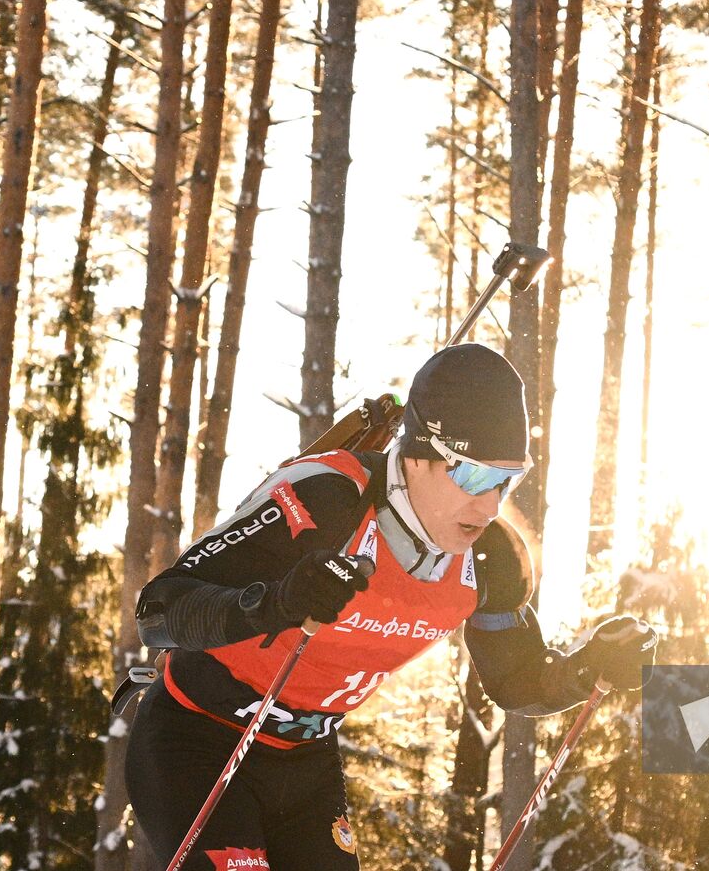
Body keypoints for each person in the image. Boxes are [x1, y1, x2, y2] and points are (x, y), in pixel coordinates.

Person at [123, 343, 658, 870]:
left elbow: (516, 679)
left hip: (306, 766)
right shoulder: (326, 499)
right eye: (473, 475)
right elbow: (159, 611)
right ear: (420, 454)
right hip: (196, 743)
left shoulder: (493, 559)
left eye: (506, 480)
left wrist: (587, 669)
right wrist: (275, 603)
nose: (490, 504)